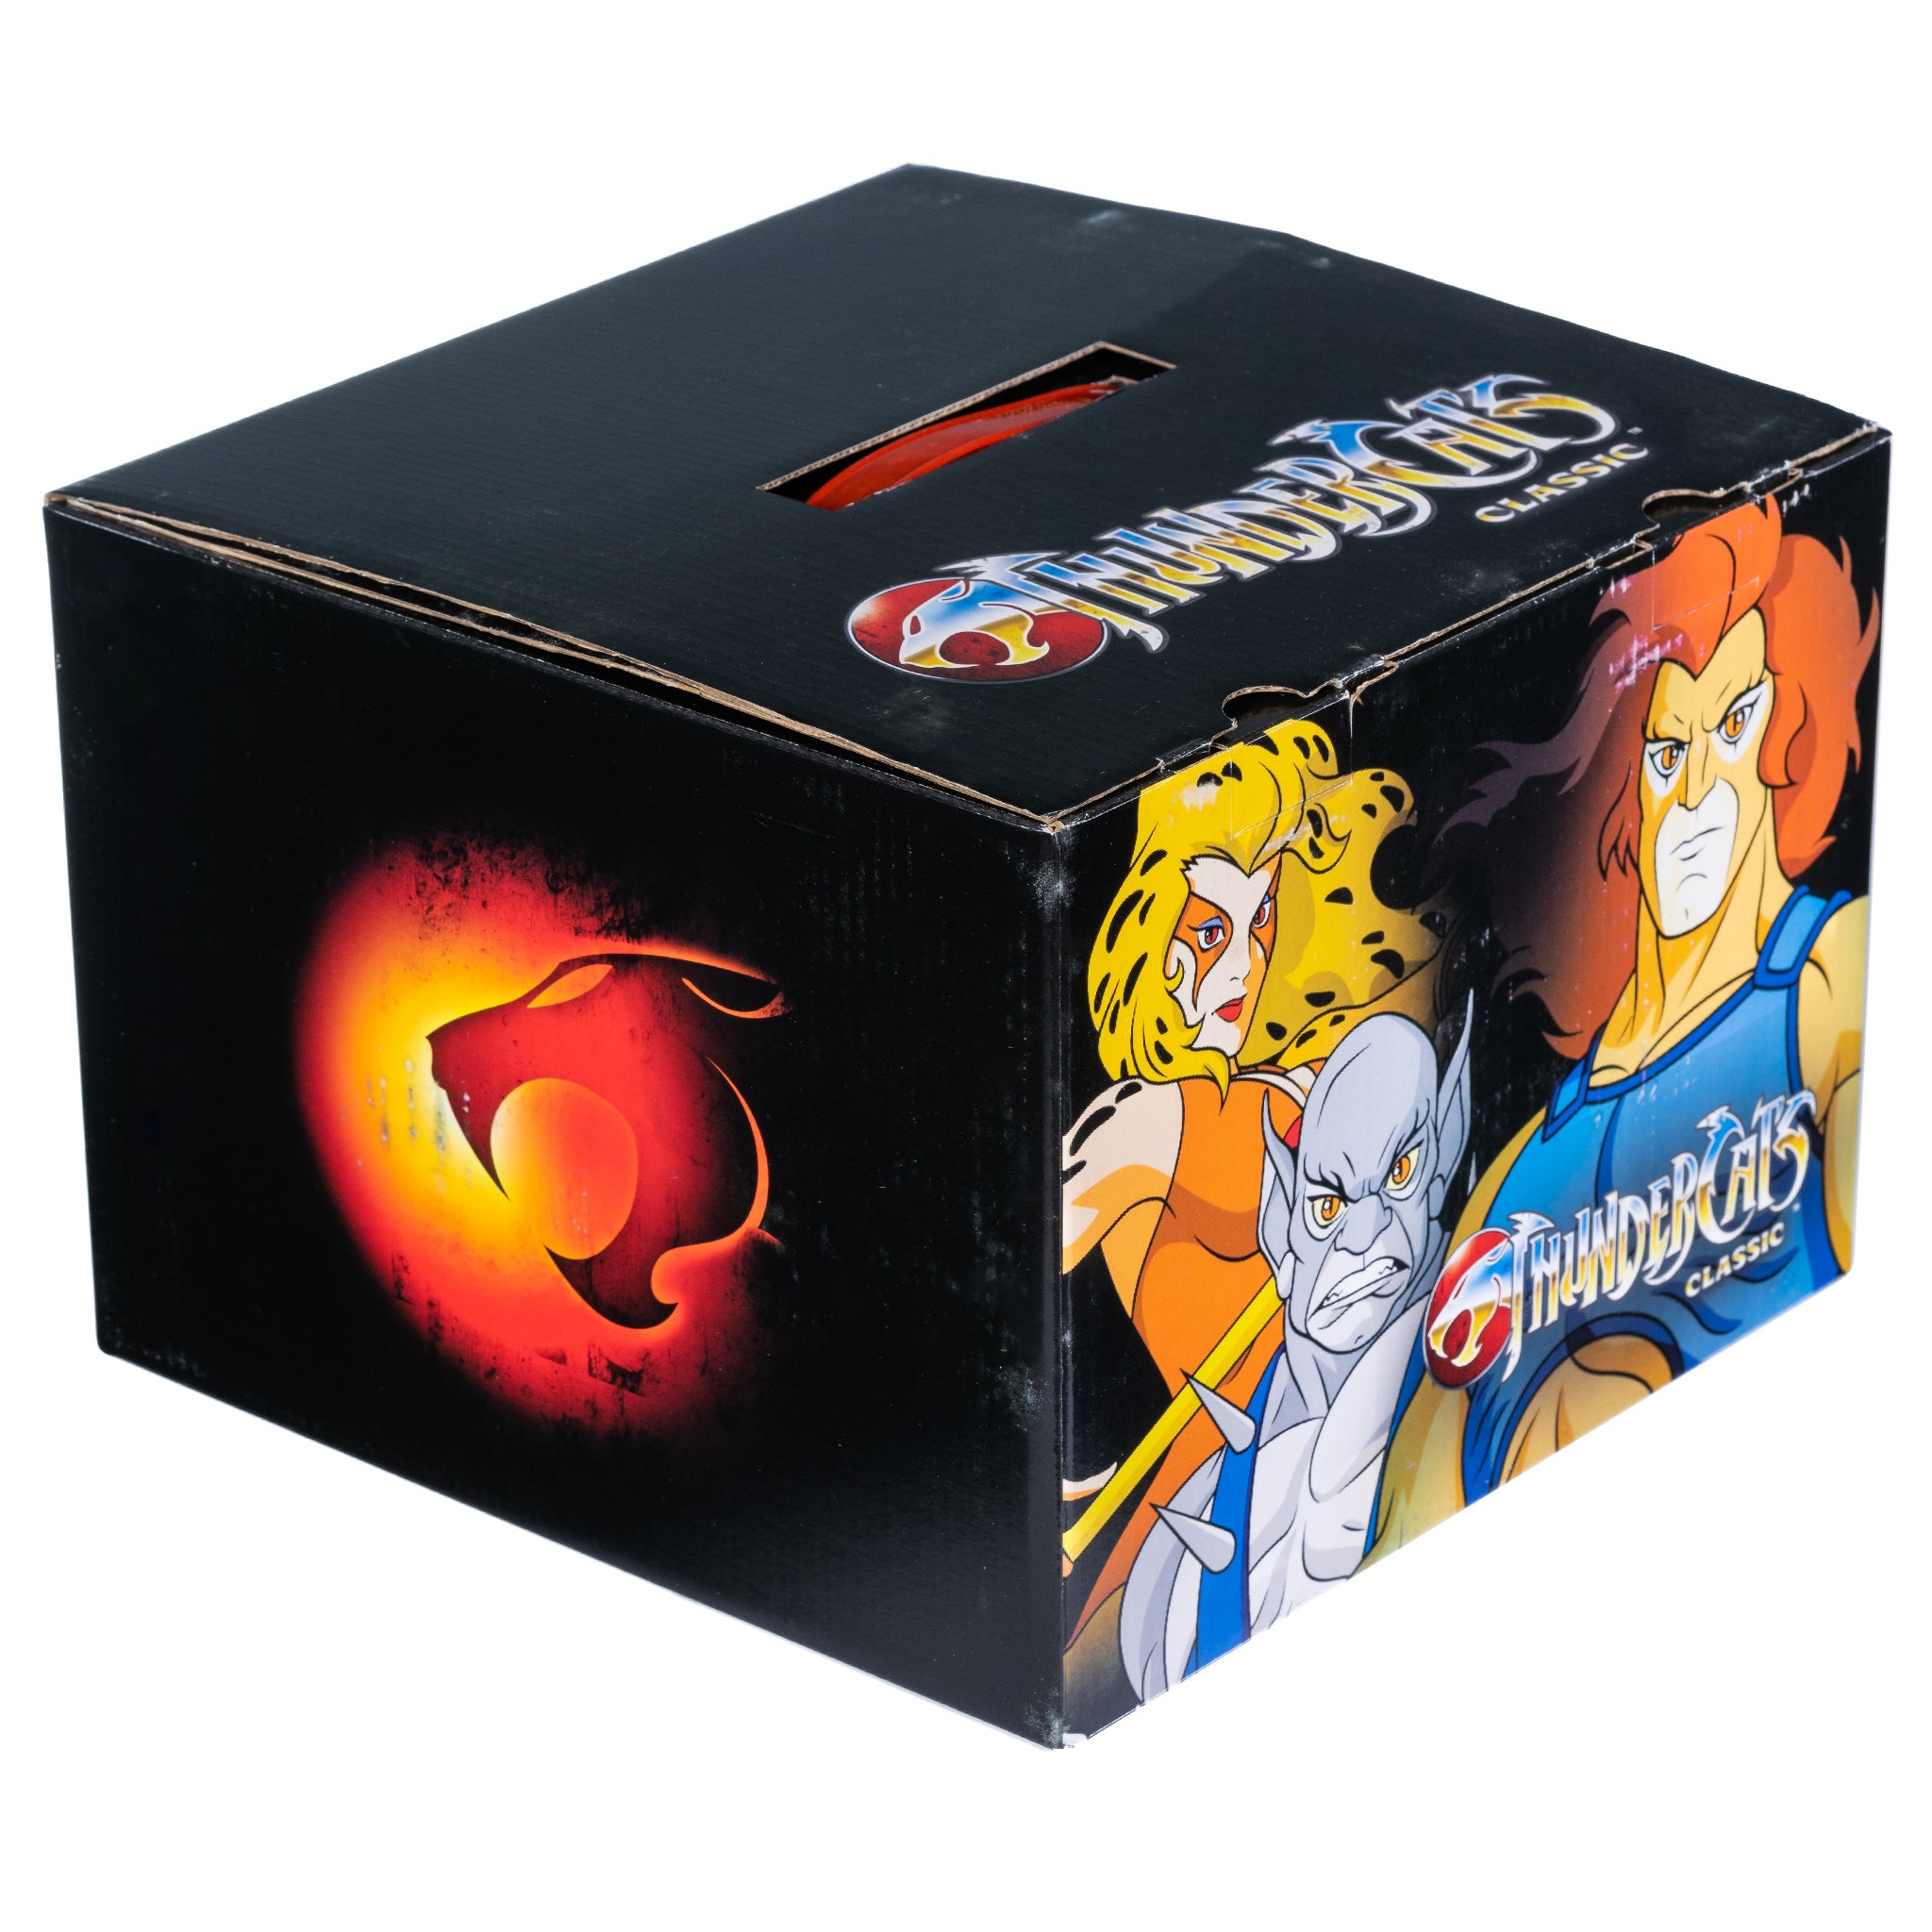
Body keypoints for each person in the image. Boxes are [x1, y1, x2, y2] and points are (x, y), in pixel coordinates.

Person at [1369, 496, 1876, 1555]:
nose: (1695, 791)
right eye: (1665, 752)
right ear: (1621, 793)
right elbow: (1408, 1523)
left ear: (1785, 734)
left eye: (1732, 726)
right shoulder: (1512, 1185)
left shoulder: (1824, 983)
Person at [1061, 724, 1441, 1689]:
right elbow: (1012, 1264)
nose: (1239, 967)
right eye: (1206, 932)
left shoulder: (1290, 1082)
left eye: (1258, 920)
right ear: (1153, 941)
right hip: (1211, 1516)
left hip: (1349, 1460)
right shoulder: (1145, 1123)